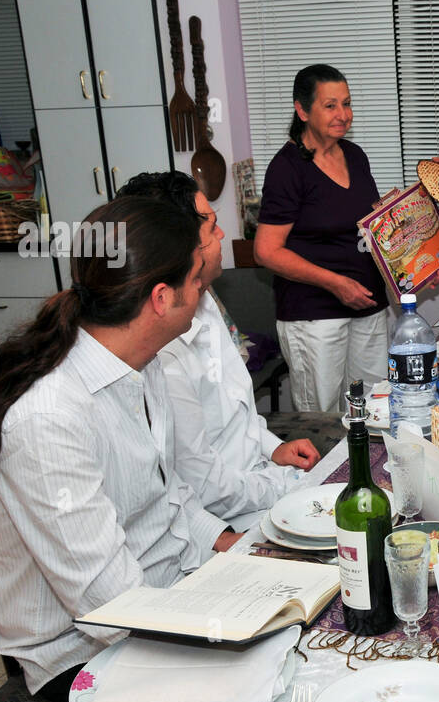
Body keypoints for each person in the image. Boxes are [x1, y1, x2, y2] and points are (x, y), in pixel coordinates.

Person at [0, 197, 240, 702]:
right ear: (161, 298)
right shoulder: (47, 418)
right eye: (196, 278)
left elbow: (167, 497)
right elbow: (115, 608)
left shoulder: (141, 362)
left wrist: (240, 552)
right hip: (82, 652)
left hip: (167, 596)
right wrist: (228, 631)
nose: (202, 288)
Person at [117, 171, 321, 530]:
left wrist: (272, 447)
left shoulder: (204, 298)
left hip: (256, 481)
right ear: (179, 242)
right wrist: (286, 484)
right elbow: (207, 487)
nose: (222, 233)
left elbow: (235, 406)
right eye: (211, 225)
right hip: (228, 515)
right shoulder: (161, 347)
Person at [255, 64, 389, 412]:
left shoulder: (355, 156)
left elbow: (369, 227)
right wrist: (335, 283)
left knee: (375, 409)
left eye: (347, 103)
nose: (343, 115)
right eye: (330, 106)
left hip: (369, 306)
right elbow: (267, 251)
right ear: (302, 110)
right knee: (325, 418)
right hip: (315, 316)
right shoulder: (287, 169)